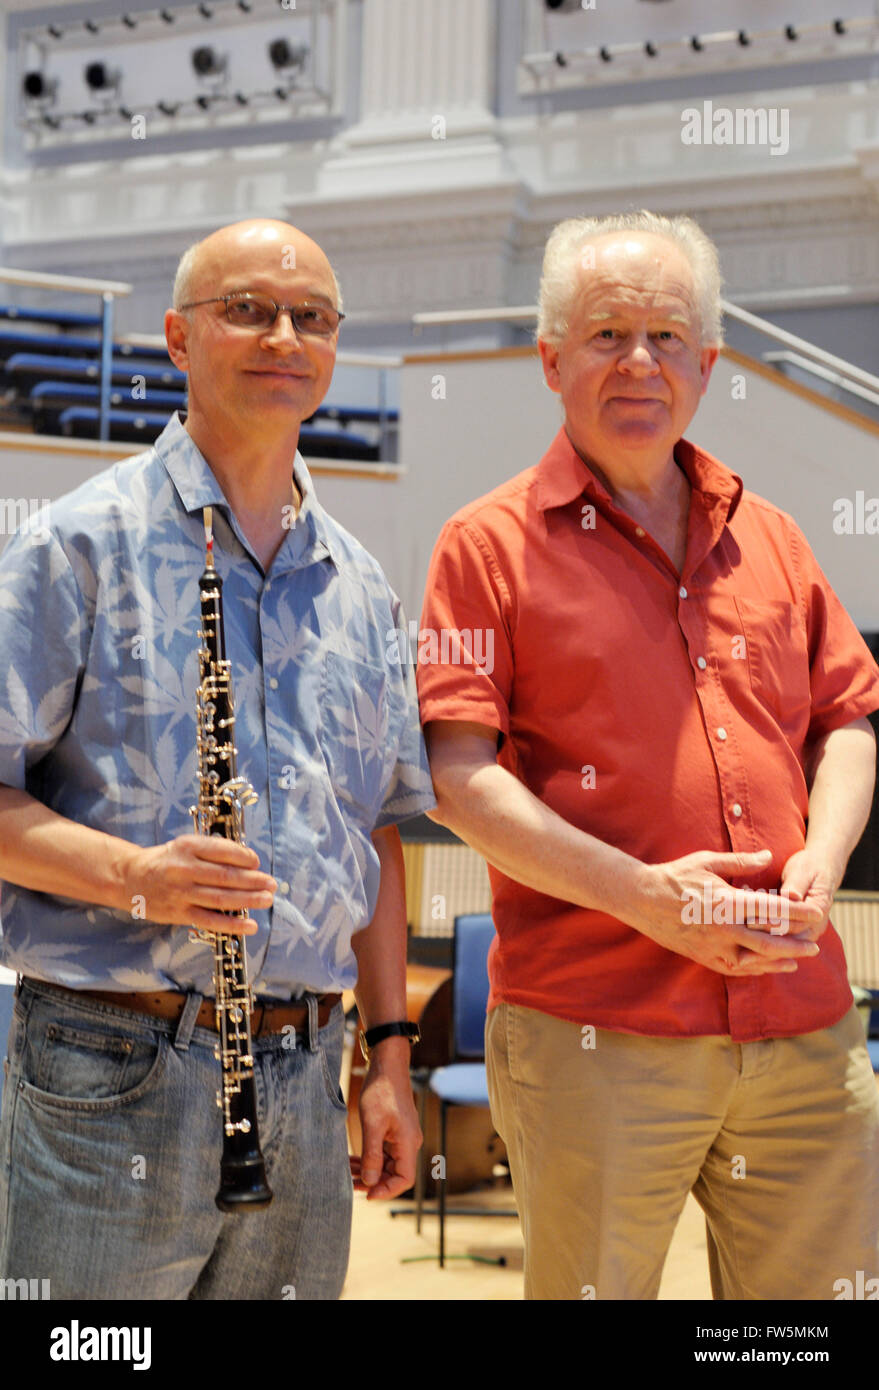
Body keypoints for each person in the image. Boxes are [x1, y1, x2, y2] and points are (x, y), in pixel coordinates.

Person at [416, 210, 879, 1301]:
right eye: (606, 333)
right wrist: (646, 899)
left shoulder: (772, 537)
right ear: (550, 359)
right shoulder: (483, 547)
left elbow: (848, 721)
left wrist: (823, 855)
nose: (640, 361)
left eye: (667, 337)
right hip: (598, 1032)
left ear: (708, 363)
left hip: (804, 1024)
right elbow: (458, 779)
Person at [0, 218, 434, 1300]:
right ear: (176, 340)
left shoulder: (363, 586)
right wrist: (136, 877)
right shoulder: (76, 544)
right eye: (246, 309)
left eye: (313, 318)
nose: (284, 335)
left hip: (303, 1074)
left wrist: (387, 1054)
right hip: (108, 1066)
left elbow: (375, 833)